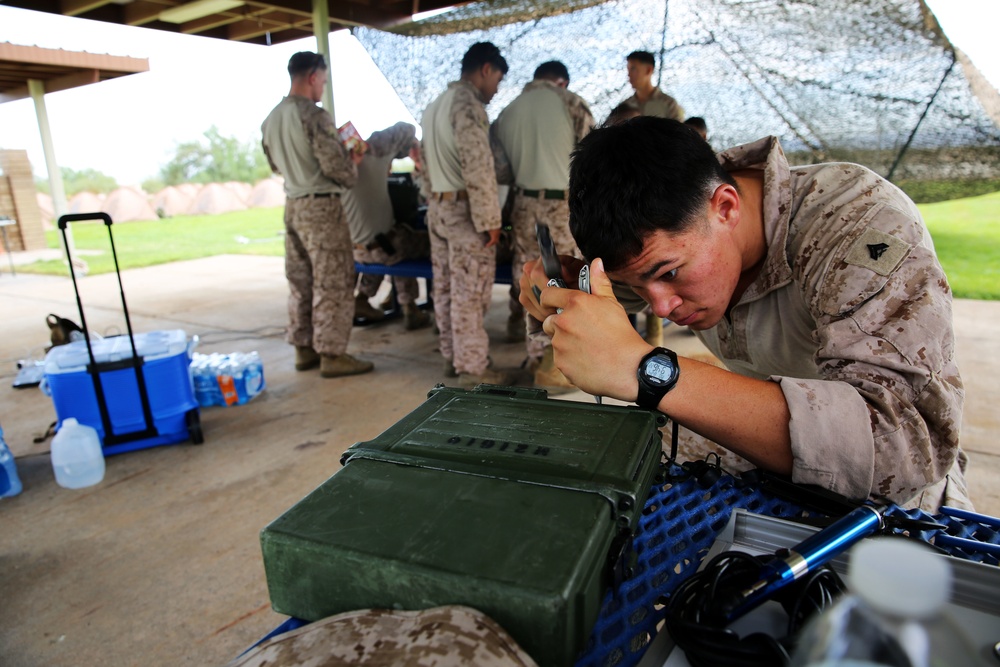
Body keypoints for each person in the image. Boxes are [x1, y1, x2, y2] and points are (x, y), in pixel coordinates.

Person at [519, 117, 970, 512]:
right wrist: (564, 285)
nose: (661, 307)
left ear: (726, 207)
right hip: (766, 453)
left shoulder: (859, 229)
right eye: (638, 286)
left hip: (895, 508)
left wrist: (647, 370)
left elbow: (902, 448)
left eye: (671, 273)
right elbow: (622, 286)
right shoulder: (679, 233)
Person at [261, 51, 373, 378]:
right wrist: (352, 161)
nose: (323, 87)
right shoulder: (314, 116)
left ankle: (303, 348)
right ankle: (333, 354)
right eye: (323, 81)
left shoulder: (271, 118)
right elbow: (338, 169)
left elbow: (274, 165)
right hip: (322, 207)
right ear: (312, 77)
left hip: (293, 205)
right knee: (333, 281)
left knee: (301, 281)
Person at [490, 60, 595, 392]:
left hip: (523, 204)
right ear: (561, 82)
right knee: (563, 277)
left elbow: (501, 170)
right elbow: (591, 154)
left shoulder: (506, 114)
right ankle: (562, 362)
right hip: (560, 202)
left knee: (529, 278)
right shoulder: (571, 103)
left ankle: (536, 353)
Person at [420, 42, 509, 388]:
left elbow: (424, 166)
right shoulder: (467, 105)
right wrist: (491, 220)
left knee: (444, 288)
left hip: (438, 208)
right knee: (470, 292)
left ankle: (451, 357)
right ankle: (472, 369)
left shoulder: (434, 106)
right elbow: (478, 165)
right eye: (497, 80)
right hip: (464, 212)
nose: (496, 89)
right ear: (485, 69)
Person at [343, 121, 432, 331]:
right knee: (424, 242)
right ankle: (410, 305)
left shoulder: (341, 170)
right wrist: (401, 147)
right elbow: (406, 128)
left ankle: (366, 299)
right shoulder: (375, 155)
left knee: (389, 241)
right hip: (386, 248)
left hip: (356, 250)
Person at [619, 50, 684, 121]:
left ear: (648, 70)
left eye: (633, 69)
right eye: (628, 69)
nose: (629, 74)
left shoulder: (668, 104)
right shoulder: (625, 106)